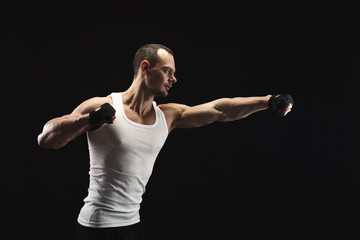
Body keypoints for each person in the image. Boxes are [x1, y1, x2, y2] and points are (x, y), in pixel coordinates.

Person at [37, 43, 293, 240]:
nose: (174, 78)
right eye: (168, 71)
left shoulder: (167, 116)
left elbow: (220, 110)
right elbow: (47, 138)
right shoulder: (102, 105)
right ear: (146, 68)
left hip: (132, 225)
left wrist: (268, 100)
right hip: (97, 227)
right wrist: (88, 120)